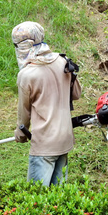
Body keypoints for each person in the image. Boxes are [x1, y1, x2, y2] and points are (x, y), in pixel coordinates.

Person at [12, 21, 81, 186]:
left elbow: (24, 112)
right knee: (57, 199)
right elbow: (77, 94)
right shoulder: (63, 62)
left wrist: (21, 133)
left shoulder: (27, 75)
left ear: (23, 45)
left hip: (44, 144)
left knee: (37, 202)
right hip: (65, 139)